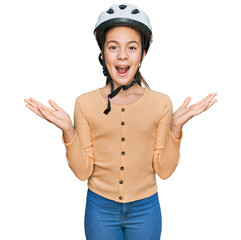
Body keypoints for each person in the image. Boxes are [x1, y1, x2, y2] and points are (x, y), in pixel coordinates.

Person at [24, 3, 217, 240]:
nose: (122, 55)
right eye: (113, 47)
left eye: (132, 47)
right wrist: (68, 132)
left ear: (143, 54)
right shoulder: (84, 103)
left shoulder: (161, 103)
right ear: (103, 54)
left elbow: (164, 171)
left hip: (146, 209)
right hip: (99, 209)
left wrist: (175, 129)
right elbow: (84, 172)